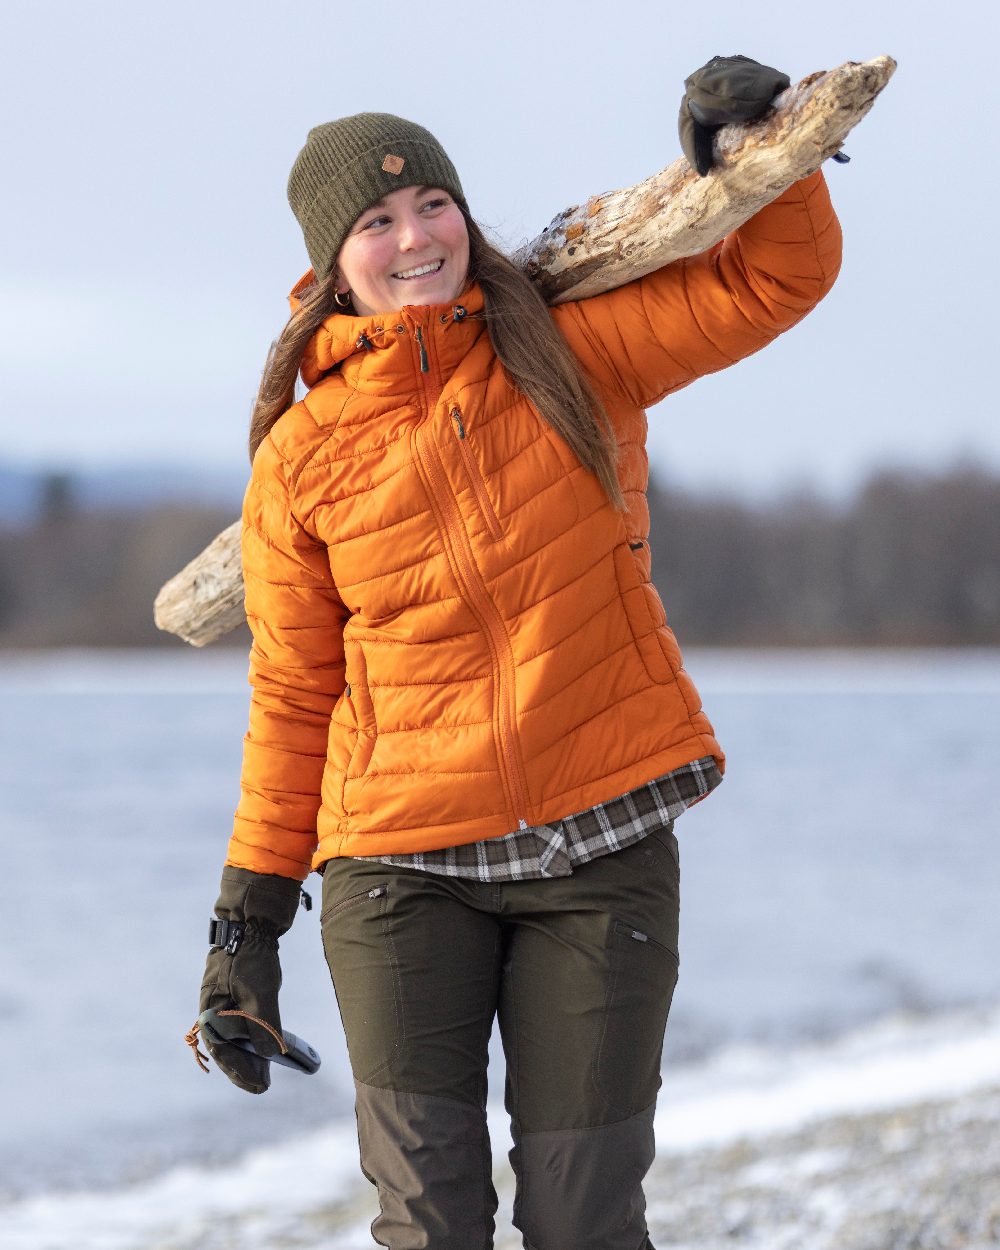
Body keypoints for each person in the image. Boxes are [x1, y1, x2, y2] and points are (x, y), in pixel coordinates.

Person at [193, 55, 842, 1250]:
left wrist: (757, 144)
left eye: (431, 202)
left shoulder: (566, 351)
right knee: (429, 1220)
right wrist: (246, 928)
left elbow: (773, 278)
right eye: (376, 221)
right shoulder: (300, 456)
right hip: (396, 865)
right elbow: (293, 693)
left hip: (600, 843)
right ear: (330, 266)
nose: (414, 237)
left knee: (584, 1218)